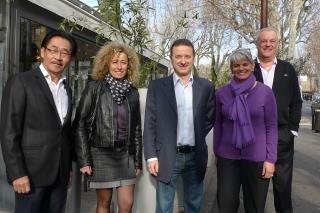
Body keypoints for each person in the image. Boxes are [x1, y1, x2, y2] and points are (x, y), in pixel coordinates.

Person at [0, 30, 77, 213]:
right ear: (43, 52)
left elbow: (64, 132)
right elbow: (9, 132)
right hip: (30, 176)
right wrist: (17, 173)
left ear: (70, 59)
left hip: (59, 176)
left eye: (64, 52)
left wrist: (67, 169)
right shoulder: (21, 81)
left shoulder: (67, 89)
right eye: (53, 50)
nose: (58, 57)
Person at [143, 38, 215, 213]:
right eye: (178, 56)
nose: (183, 61)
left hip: (195, 155)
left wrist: (195, 133)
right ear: (171, 58)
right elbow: (150, 123)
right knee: (164, 207)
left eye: (187, 56)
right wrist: (151, 156)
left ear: (193, 58)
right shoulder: (157, 86)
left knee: (193, 205)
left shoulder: (206, 86)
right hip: (167, 155)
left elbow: (210, 117)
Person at [73, 41, 142, 213]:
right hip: (100, 153)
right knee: (104, 203)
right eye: (115, 62)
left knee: (127, 204)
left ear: (129, 65)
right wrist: (84, 159)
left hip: (126, 154)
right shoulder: (94, 87)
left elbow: (136, 129)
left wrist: (138, 159)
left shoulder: (133, 92)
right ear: (106, 64)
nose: (119, 66)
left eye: (123, 62)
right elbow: (80, 123)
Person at [214, 48, 278, 212]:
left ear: (252, 65)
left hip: (257, 158)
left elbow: (271, 127)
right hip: (228, 157)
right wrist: (217, 154)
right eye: (236, 65)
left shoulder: (265, 92)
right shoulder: (222, 93)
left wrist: (270, 160)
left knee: (255, 206)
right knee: (226, 204)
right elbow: (218, 126)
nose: (241, 68)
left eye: (245, 64)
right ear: (231, 68)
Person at [254, 27, 303, 213]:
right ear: (258, 43)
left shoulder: (288, 70)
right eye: (264, 41)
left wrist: (292, 130)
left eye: (271, 41)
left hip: (282, 137)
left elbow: (296, 102)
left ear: (277, 44)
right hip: (256, 139)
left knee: (282, 190)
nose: (267, 44)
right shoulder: (248, 69)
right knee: (256, 192)